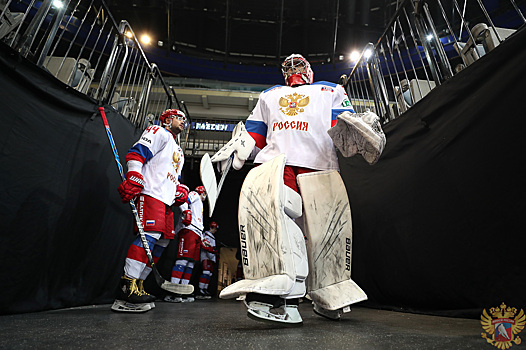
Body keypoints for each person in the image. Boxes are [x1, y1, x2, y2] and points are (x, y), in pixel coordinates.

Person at [209, 54, 386, 325]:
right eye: (288, 66)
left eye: (299, 64)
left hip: (319, 164)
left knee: (324, 234)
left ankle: (329, 292)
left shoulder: (330, 90)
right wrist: (240, 144)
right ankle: (283, 295)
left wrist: (362, 129)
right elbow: (257, 130)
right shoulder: (270, 94)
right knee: (277, 223)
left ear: (309, 69)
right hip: (276, 163)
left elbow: (344, 128)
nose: (293, 69)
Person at [111, 108, 189, 313]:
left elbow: (173, 178)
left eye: (184, 119)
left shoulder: (178, 150)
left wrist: (180, 192)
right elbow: (137, 153)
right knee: (149, 236)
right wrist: (134, 175)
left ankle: (139, 285)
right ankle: (127, 287)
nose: (183, 121)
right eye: (179, 118)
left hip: (166, 202)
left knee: (161, 242)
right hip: (151, 194)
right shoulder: (158, 132)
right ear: (167, 119)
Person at [164, 186, 207, 303]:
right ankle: (173, 292)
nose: (205, 196)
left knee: (190, 263)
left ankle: (183, 291)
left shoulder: (200, 204)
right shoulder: (195, 194)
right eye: (205, 193)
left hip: (197, 232)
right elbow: (184, 199)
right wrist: (186, 212)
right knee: (182, 261)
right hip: (189, 230)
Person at [195, 221, 219, 299]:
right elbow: (205, 245)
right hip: (206, 257)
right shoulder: (206, 235)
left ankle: (204, 289)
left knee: (209, 274)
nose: (215, 230)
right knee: (206, 272)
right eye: (214, 228)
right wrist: (212, 249)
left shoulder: (212, 236)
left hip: (211, 257)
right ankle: (200, 289)